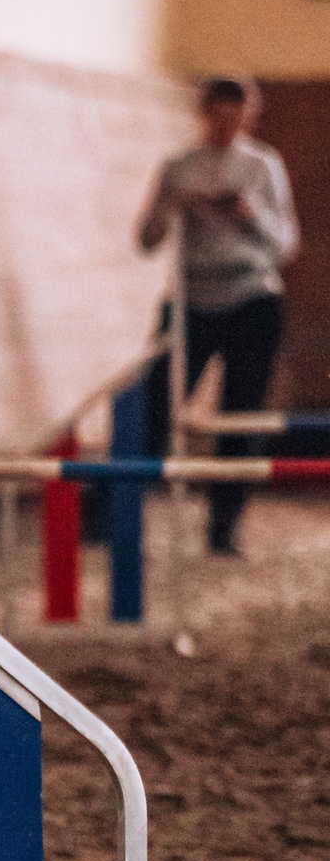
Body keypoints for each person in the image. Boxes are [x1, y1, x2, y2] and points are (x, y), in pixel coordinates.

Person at [135, 75, 299, 556]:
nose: (227, 128)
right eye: (218, 118)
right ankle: (118, 510)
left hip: (252, 297)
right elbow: (145, 239)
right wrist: (170, 206)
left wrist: (248, 218)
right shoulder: (177, 166)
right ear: (204, 113)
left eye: (237, 120)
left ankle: (224, 526)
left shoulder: (264, 166)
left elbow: (286, 245)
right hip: (190, 298)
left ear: (249, 117)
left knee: (240, 414)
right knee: (155, 402)